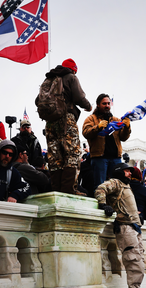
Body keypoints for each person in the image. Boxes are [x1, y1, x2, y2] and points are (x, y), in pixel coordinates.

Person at [94, 163, 146, 288]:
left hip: (133, 227)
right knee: (133, 262)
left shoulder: (125, 186)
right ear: (119, 172)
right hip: (125, 227)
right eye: (126, 171)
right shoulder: (116, 183)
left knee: (138, 262)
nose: (129, 173)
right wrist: (103, 205)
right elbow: (100, 189)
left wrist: (138, 219)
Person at [36, 58, 93, 194]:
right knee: (72, 153)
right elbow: (79, 97)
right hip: (66, 119)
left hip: (50, 122)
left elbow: (37, 100)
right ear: (74, 69)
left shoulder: (48, 80)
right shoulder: (71, 77)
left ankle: (56, 189)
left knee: (55, 156)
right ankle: (68, 190)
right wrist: (88, 106)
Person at [82, 94, 131, 192]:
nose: (107, 105)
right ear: (98, 105)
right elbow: (85, 133)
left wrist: (127, 127)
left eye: (108, 103)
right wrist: (98, 127)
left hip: (115, 158)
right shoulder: (91, 119)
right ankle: (101, 205)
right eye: (104, 103)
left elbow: (123, 137)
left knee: (117, 185)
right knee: (100, 185)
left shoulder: (116, 120)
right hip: (99, 158)